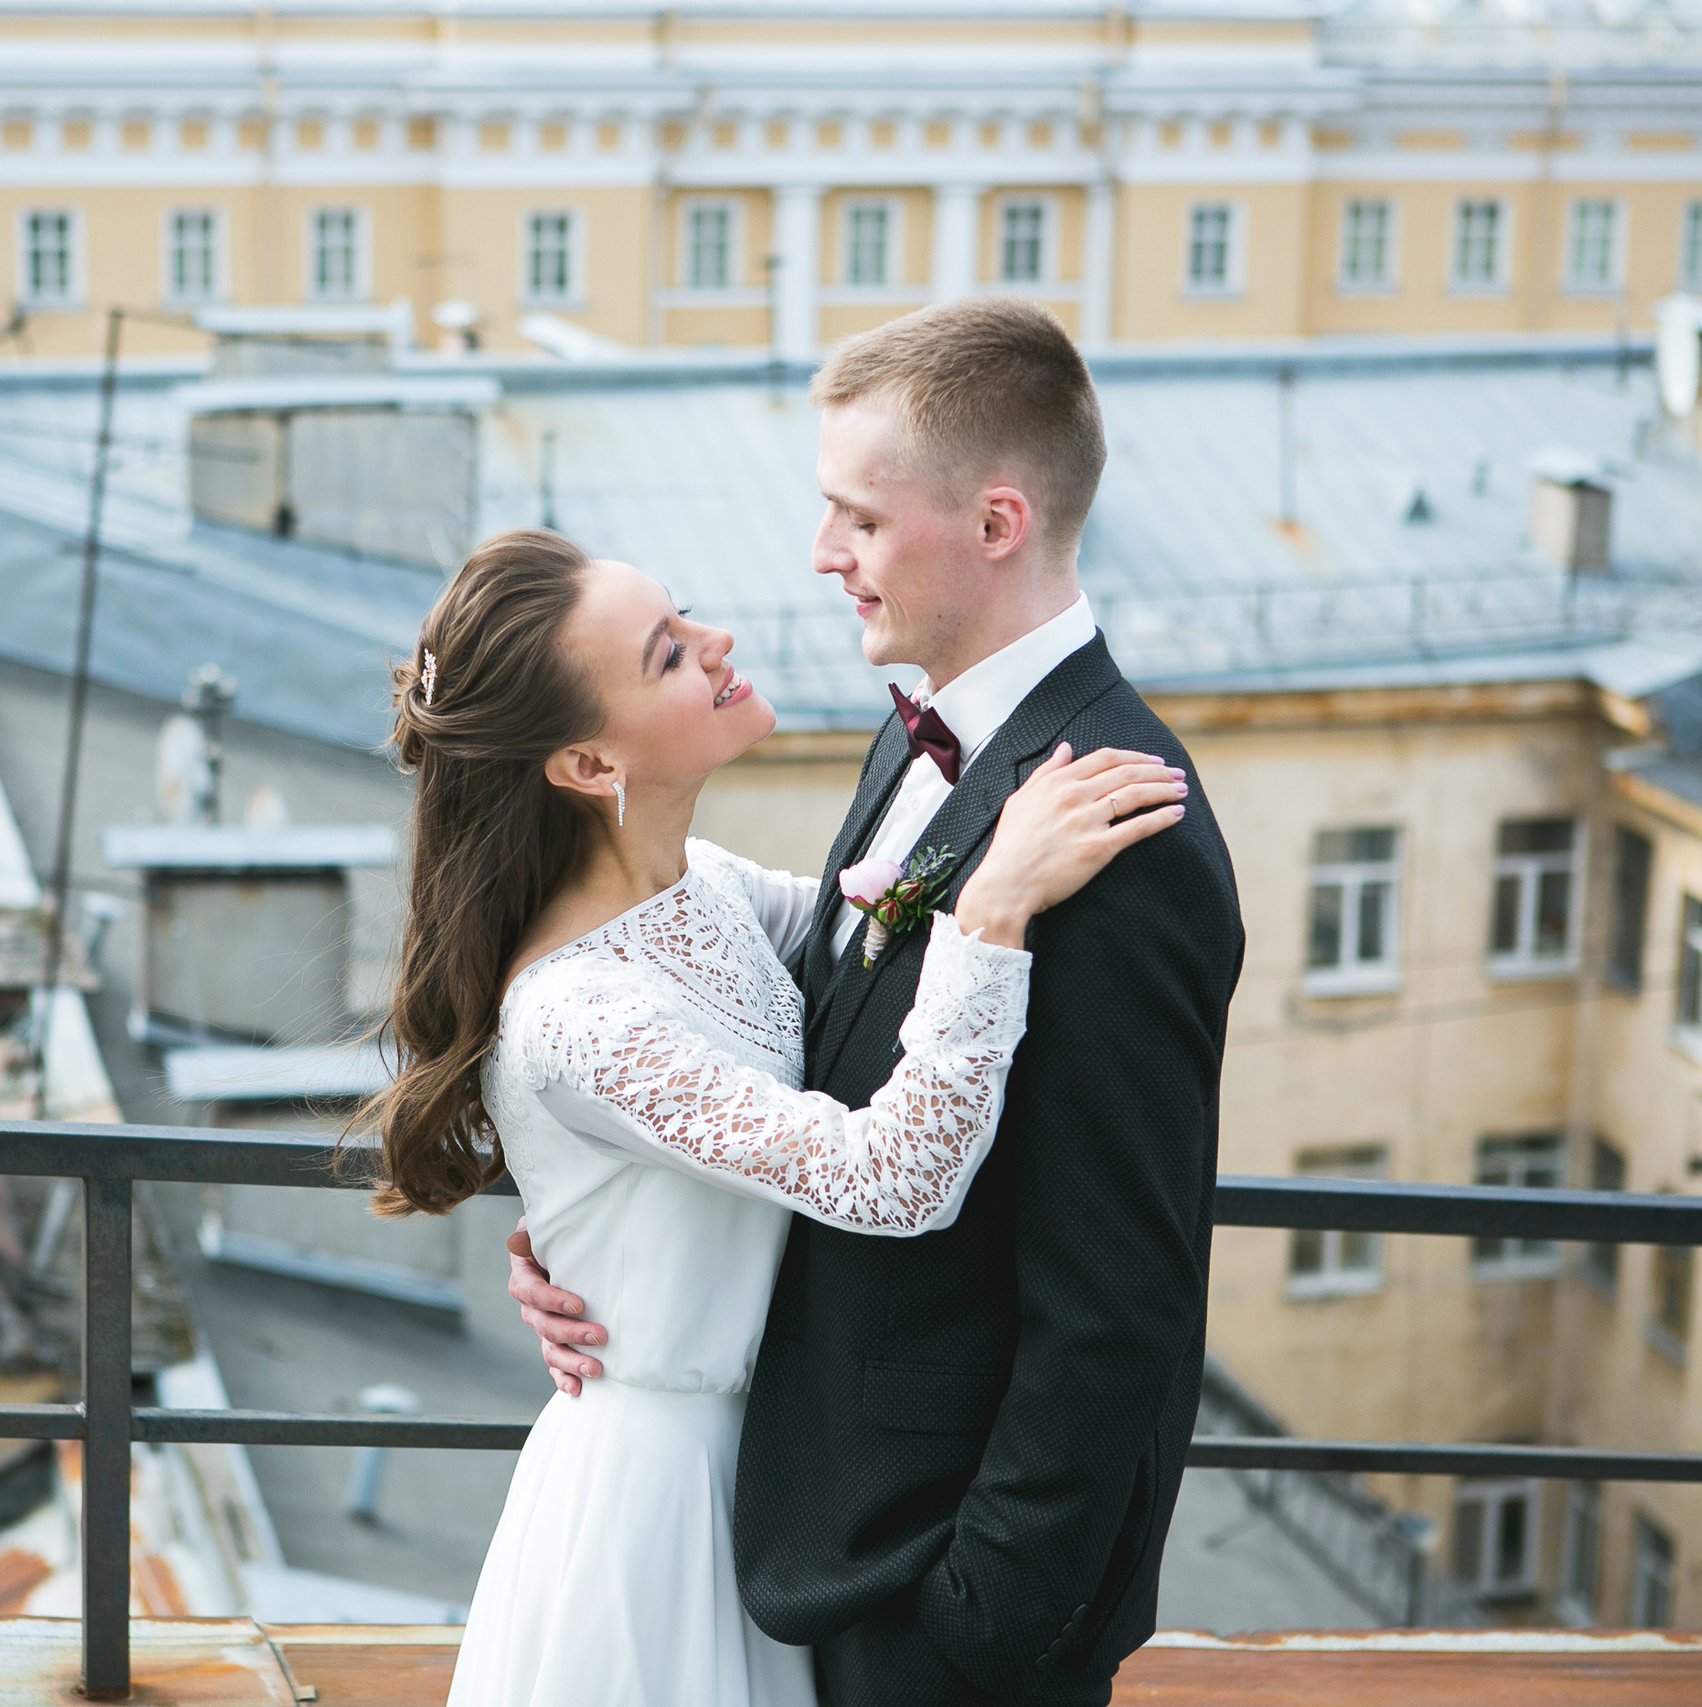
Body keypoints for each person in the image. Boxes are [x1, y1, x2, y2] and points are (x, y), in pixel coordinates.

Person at [509, 296, 1245, 1705]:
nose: (821, 552)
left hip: (943, 1596)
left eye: (858, 517)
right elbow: (778, 1025)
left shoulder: (1120, 829)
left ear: (996, 522)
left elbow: (1122, 1294)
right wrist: (599, 1228)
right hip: (811, 1535)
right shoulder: (920, 735)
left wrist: (982, 1614)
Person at [372, 520, 1190, 1707]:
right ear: (588, 765)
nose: (716, 641)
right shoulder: (578, 1017)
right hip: (661, 1502)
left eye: (683, 613)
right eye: (666, 653)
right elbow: (890, 1178)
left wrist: (600, 1235)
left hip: (779, 1464)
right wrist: (992, 913)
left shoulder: (705, 884)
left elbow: (866, 969)